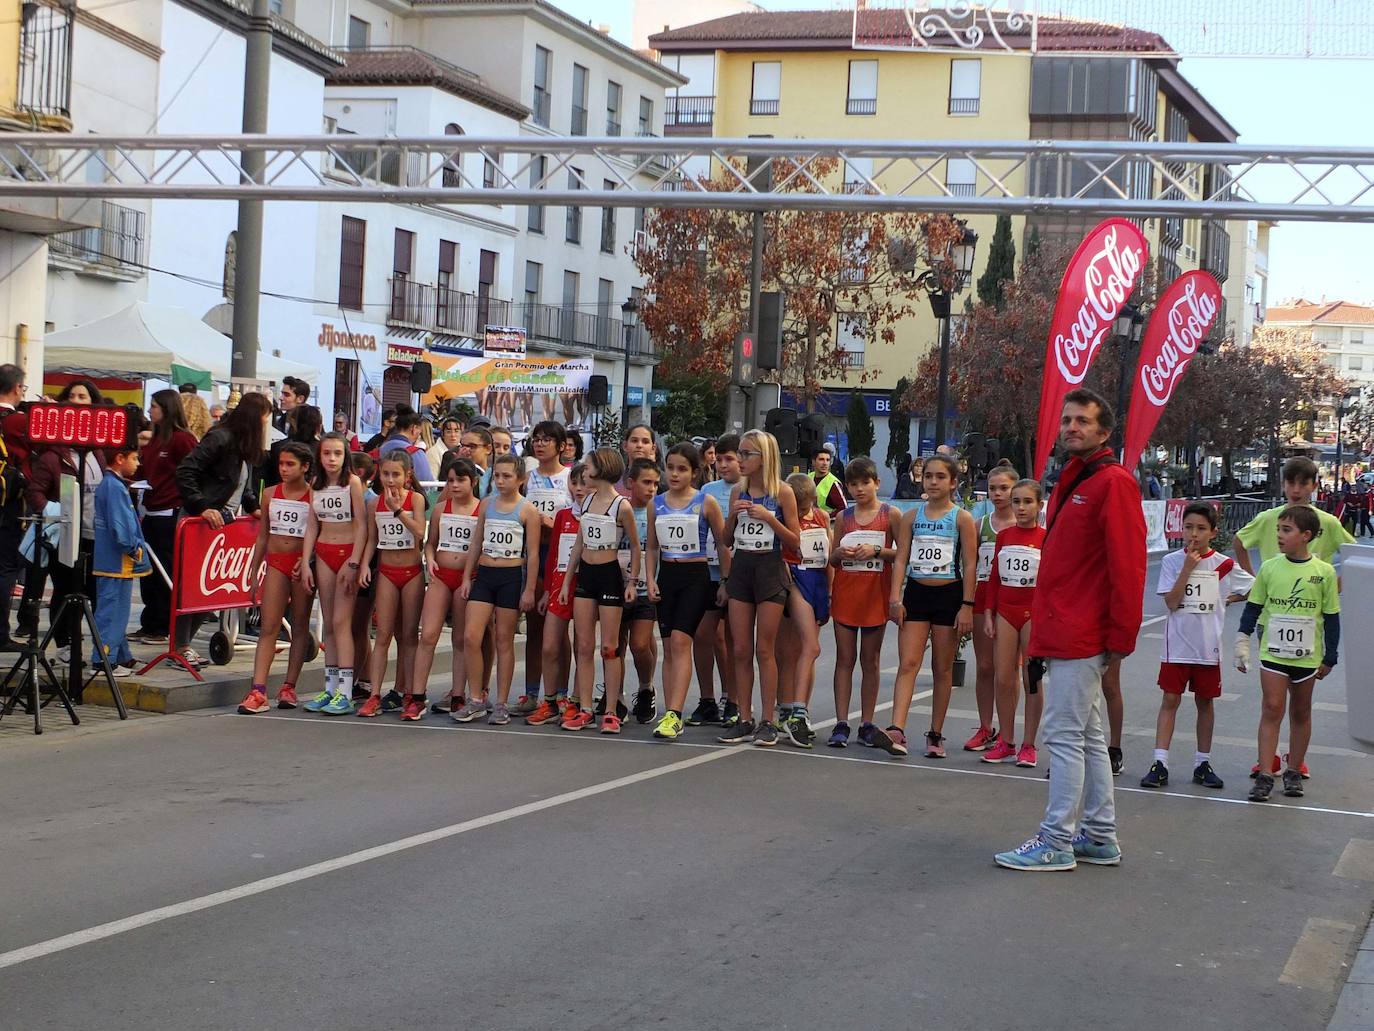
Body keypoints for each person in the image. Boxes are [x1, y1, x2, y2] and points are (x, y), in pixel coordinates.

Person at [994, 388, 1145, 872]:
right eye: (1067, 420)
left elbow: (1129, 565)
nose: (1071, 427)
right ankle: (1099, 835)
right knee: (1087, 736)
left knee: (1062, 735)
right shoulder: (1072, 480)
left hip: (1083, 631)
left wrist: (1121, 638)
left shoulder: (1113, 482)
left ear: (1104, 432)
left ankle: (1056, 840)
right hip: (1064, 627)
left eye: (1083, 421)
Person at [1233, 456, 1354, 779]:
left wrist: (1334, 586)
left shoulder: (1326, 522)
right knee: (1272, 701)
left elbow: (1354, 555)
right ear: (1283, 484)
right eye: (1291, 483)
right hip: (1272, 616)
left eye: (1303, 483)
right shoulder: (1269, 517)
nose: (1296, 490)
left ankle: (1295, 760)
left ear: (1314, 486)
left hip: (1308, 620)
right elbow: (1239, 541)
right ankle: (1268, 757)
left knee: (1300, 701)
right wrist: (1252, 580)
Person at [1140, 502, 1241, 791]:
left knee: (1205, 703)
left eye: (1200, 528)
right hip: (1177, 647)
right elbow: (1171, 602)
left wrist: (1225, 599)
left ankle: (1202, 762)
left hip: (1207, 647)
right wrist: (1187, 568)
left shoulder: (1224, 564)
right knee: (1170, 700)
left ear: (1213, 532)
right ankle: (1160, 762)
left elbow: (1255, 588)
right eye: (1188, 527)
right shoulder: (1173, 561)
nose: (1193, 534)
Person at [887, 454, 976, 758]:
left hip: (948, 595)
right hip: (916, 594)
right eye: (928, 476)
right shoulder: (912, 517)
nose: (933, 482)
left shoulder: (961, 518)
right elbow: (900, 558)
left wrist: (967, 605)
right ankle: (896, 729)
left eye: (940, 477)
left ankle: (935, 734)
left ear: (953, 483)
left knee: (942, 668)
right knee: (908, 663)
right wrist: (895, 598)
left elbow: (970, 563)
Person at [176, 391, 272, 667]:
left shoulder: (243, 446)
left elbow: (245, 486)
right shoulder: (220, 438)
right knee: (192, 586)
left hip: (223, 522)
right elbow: (186, 471)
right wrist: (202, 506)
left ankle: (185, 644)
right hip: (201, 521)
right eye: (265, 419)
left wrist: (253, 505)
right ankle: (181, 646)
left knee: (207, 590)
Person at [719, 429, 800, 747]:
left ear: (764, 458)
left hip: (770, 570)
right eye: (739, 453)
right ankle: (743, 716)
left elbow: (795, 541)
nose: (739, 460)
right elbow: (725, 540)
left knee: (765, 648)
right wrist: (733, 518)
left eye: (746, 454)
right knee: (740, 648)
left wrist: (770, 517)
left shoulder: (782, 492)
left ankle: (768, 719)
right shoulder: (737, 492)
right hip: (742, 570)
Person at [648, 443, 728, 741]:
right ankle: (671, 711)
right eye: (670, 467)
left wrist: (726, 581)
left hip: (696, 575)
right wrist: (650, 579)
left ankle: (675, 713)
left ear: (695, 473)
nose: (675, 474)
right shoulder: (656, 504)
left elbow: (722, 543)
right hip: (667, 575)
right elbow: (653, 547)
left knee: (682, 641)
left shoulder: (705, 502)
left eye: (682, 469)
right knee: (669, 646)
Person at [455, 454, 541, 724]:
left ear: (521, 479)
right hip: (486, 575)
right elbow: (476, 542)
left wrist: (528, 590)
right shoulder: (487, 504)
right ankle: (477, 698)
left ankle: (502, 703)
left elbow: (534, 554)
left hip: (511, 576)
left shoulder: (527, 510)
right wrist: (467, 577)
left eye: (507, 476)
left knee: (504, 640)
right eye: (498, 476)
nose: (501, 481)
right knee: (471, 636)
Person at [559, 448, 639, 732]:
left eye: (589, 464)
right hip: (587, 575)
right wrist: (568, 581)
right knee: (583, 644)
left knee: (609, 646)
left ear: (601, 468)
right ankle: (584, 708)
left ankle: (610, 709)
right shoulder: (588, 500)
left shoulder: (622, 506)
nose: (584, 468)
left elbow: (636, 545)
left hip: (609, 575)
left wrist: (632, 581)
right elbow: (579, 544)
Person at [237, 442, 315, 714]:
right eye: (281, 464)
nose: (283, 469)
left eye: (290, 464)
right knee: (269, 626)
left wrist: (307, 561)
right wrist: (253, 570)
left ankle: (289, 686)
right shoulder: (270, 494)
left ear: (305, 467)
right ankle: (258, 690)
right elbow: (263, 536)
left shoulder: (313, 497)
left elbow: (316, 534)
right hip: (276, 565)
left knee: (300, 624)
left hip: (299, 566)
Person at [827, 456, 899, 748]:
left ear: (876, 483)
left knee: (871, 660)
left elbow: (902, 554)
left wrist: (877, 550)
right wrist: (841, 555)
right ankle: (841, 722)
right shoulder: (843, 517)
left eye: (865, 483)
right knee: (845, 659)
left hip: (875, 594)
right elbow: (831, 556)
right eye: (853, 484)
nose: (859, 489)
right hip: (847, 592)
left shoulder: (890, 514)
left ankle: (867, 723)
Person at [980, 478, 1047, 768]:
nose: (1021, 507)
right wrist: (988, 612)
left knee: (1031, 679)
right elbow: (994, 577)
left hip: (1033, 614)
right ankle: (1006, 741)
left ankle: (1029, 744)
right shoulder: (1005, 536)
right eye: (1017, 501)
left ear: (1039, 505)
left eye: (1027, 502)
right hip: (1005, 612)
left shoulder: (1047, 537)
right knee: (1003, 678)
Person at [300, 433, 368, 715]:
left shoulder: (351, 483)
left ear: (345, 456)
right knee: (328, 622)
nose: (331, 459)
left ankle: (346, 691)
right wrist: (305, 561)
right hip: (324, 553)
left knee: (342, 621)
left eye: (337, 454)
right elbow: (312, 526)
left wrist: (354, 561)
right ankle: (330, 689)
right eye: (327, 453)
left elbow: (363, 525)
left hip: (347, 554)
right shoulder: (314, 485)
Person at [356, 451, 428, 719]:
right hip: (386, 571)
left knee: (408, 636)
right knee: (383, 634)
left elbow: (420, 532)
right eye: (385, 474)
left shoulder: (416, 499)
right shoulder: (375, 504)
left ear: (407, 476)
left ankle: (410, 693)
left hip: (411, 572)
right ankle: (374, 693)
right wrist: (364, 565)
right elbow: (372, 539)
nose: (390, 479)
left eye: (396, 474)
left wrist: (398, 510)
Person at [410, 455, 481, 719]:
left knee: (460, 638)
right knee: (428, 634)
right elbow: (430, 543)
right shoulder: (441, 508)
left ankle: (458, 694)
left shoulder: (481, 509)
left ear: (472, 482)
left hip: (467, 578)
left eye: (460, 480)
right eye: (450, 480)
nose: (455, 485)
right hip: (442, 576)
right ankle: (417, 695)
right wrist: (429, 560)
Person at [132, 390, 198, 647]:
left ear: (167, 409)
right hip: (149, 510)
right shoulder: (156, 440)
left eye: (155, 406)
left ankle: (162, 625)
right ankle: (151, 623)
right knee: (149, 573)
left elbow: (193, 471)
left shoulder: (182, 440)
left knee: (165, 572)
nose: (150, 411)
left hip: (169, 513)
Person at [515, 420, 572, 717]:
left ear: (561, 446)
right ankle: (532, 692)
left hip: (561, 557)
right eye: (536, 439)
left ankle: (562, 693)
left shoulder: (570, 478)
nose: (540, 444)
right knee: (535, 628)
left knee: (559, 629)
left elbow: (578, 517)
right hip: (534, 555)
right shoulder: (526, 479)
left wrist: (555, 525)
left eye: (547, 439)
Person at [526, 462, 587, 726]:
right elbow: (552, 557)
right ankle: (550, 701)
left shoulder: (600, 514)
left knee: (583, 646)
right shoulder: (563, 515)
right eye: (575, 483)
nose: (580, 488)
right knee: (549, 645)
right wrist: (547, 590)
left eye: (586, 483)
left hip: (585, 588)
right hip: (559, 587)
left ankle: (575, 701)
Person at [964, 464, 1018, 752]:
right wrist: (967, 602)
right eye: (993, 488)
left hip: (1013, 599)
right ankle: (986, 727)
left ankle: (1008, 732)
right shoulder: (979, 525)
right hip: (984, 595)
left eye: (1004, 488)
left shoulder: (1023, 526)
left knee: (1008, 671)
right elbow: (970, 566)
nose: (997, 494)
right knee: (985, 666)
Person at [776, 472, 829, 747]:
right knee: (801, 648)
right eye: (801, 508)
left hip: (817, 580)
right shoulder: (784, 518)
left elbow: (828, 555)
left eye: (809, 505)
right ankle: (792, 709)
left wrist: (830, 591)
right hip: (794, 580)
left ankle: (797, 707)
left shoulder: (821, 518)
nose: (806, 511)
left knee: (803, 650)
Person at [694, 433, 740, 727]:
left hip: (740, 575)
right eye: (718, 459)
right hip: (708, 572)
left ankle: (734, 700)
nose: (722, 465)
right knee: (703, 634)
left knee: (736, 640)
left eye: (729, 459)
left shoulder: (749, 490)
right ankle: (707, 698)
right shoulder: (708, 490)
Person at [92, 443, 150, 677]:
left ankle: (120, 654)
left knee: (119, 610)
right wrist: (133, 547)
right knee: (111, 611)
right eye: (135, 459)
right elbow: (119, 525)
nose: (138, 464)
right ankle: (103, 659)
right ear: (119, 458)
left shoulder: (112, 485)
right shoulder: (114, 487)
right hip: (116, 560)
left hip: (115, 560)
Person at [620, 457, 660, 723]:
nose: (652, 489)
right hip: (617, 587)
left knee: (639, 644)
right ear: (630, 483)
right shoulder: (619, 509)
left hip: (647, 587)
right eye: (646, 483)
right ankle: (615, 697)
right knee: (616, 646)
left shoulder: (658, 511)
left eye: (656, 484)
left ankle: (646, 688)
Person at [0, 363, 29, 649]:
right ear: (17, 388)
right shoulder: (18, 422)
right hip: (8, 506)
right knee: (6, 568)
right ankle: (0, 634)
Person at [811, 448, 847, 515]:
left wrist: (827, 517)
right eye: (821, 459)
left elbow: (843, 509)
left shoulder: (833, 483)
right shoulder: (809, 477)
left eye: (828, 460)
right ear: (813, 462)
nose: (825, 463)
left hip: (828, 523)